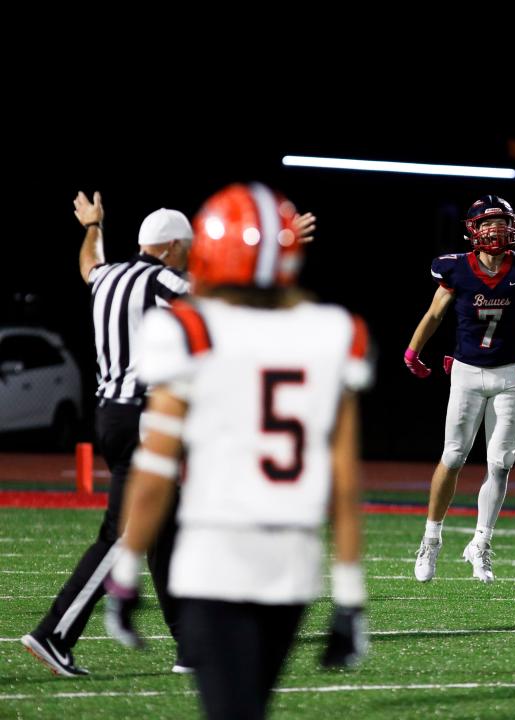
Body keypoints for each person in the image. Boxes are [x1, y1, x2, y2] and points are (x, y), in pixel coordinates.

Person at [102, 182, 371, 720]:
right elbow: (344, 481)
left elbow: (154, 471)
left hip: (215, 559)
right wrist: (348, 595)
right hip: (291, 567)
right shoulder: (333, 331)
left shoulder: (187, 328)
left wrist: (126, 571)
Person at [21, 191, 191, 677]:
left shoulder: (108, 276)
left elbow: (88, 264)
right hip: (143, 417)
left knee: (167, 528)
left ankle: (191, 646)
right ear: (174, 246)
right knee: (126, 532)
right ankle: (54, 632)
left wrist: (92, 226)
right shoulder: (168, 280)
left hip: (111, 415)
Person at [406, 195, 515, 583]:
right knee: (453, 456)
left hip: (509, 374)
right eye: (488, 222)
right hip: (468, 372)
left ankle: (480, 543)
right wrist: (413, 351)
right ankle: (431, 539)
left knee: (501, 462)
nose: (496, 229)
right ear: (473, 230)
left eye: (502, 221)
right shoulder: (456, 270)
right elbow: (435, 314)